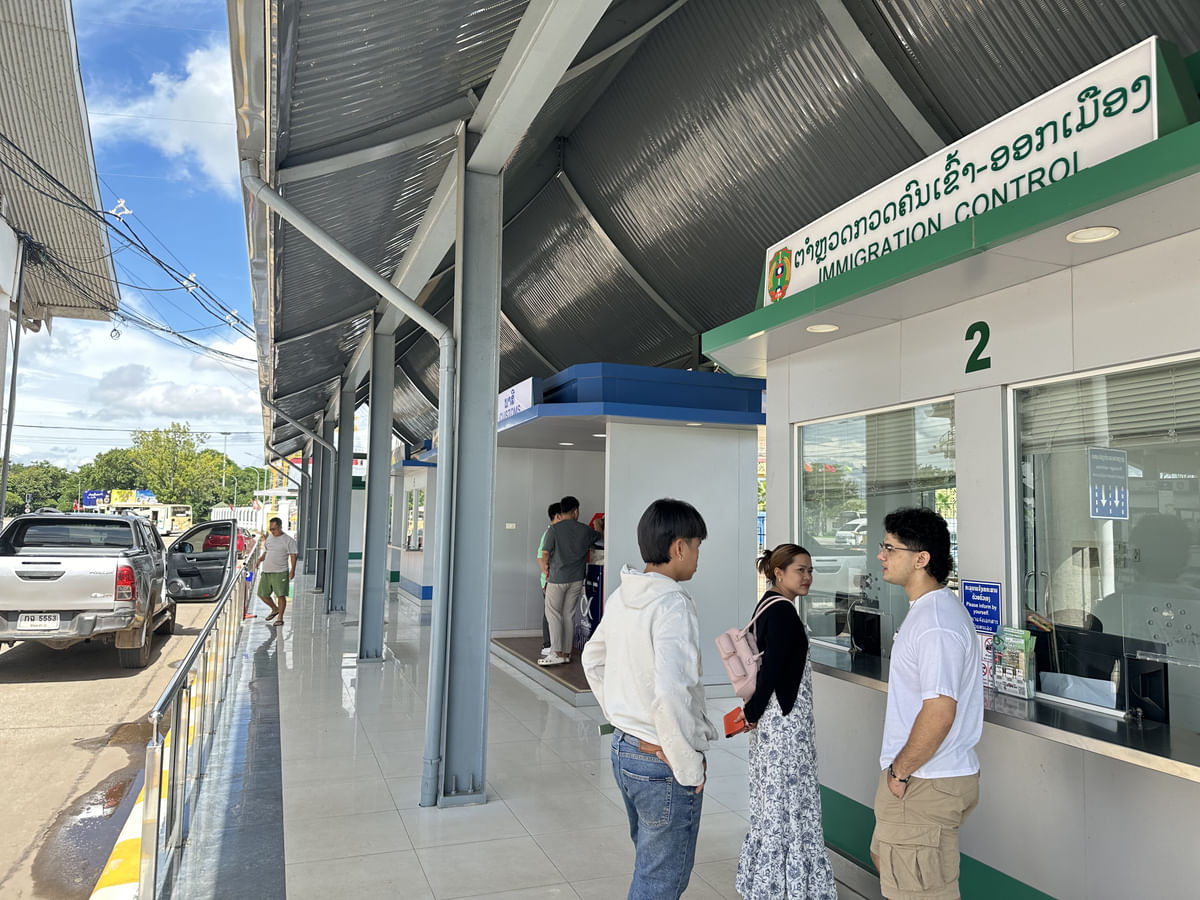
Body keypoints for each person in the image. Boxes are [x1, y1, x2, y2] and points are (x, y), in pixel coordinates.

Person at [582, 498, 717, 900]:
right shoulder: (672, 602)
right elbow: (672, 691)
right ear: (678, 548)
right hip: (660, 761)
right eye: (696, 547)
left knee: (650, 863)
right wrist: (688, 765)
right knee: (661, 879)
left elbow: (593, 659)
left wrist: (622, 714)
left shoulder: (624, 595)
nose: (696, 558)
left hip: (626, 751)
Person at [871, 507, 981, 900]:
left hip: (924, 780)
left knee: (919, 890)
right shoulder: (926, 613)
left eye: (890, 548)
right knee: (888, 860)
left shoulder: (937, 623)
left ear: (921, 559)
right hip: (917, 778)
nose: (881, 556)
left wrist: (900, 773)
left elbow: (939, 711)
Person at [733, 544, 838, 899]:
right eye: (800, 570)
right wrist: (751, 713)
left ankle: (767, 882)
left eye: (810, 571)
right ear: (779, 572)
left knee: (772, 797)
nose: (807, 577)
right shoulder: (782, 613)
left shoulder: (768, 604)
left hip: (774, 724)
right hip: (785, 724)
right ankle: (788, 887)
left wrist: (753, 714)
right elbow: (773, 672)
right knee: (790, 800)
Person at [539, 495, 603, 666]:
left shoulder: (554, 530)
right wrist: (598, 526)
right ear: (576, 511)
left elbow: (545, 553)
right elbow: (599, 536)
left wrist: (546, 568)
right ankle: (566, 653)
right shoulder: (584, 530)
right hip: (576, 579)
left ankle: (555, 652)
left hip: (558, 578)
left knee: (553, 613)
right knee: (568, 615)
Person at [253, 517, 298, 627]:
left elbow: (293, 556)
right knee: (262, 594)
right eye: (271, 529)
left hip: (280, 572)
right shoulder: (269, 538)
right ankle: (274, 608)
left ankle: (280, 618)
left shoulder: (288, 540)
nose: (273, 531)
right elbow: (266, 552)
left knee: (280, 595)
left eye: (275, 529)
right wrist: (259, 559)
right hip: (267, 571)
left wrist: (292, 570)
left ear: (280, 527)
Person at [536, 502, 564, 658]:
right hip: (548, 581)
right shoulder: (549, 533)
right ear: (558, 516)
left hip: (555, 580)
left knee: (554, 613)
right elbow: (541, 557)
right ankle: (548, 645)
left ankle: (554, 644)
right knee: (549, 613)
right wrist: (548, 575)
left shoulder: (557, 533)